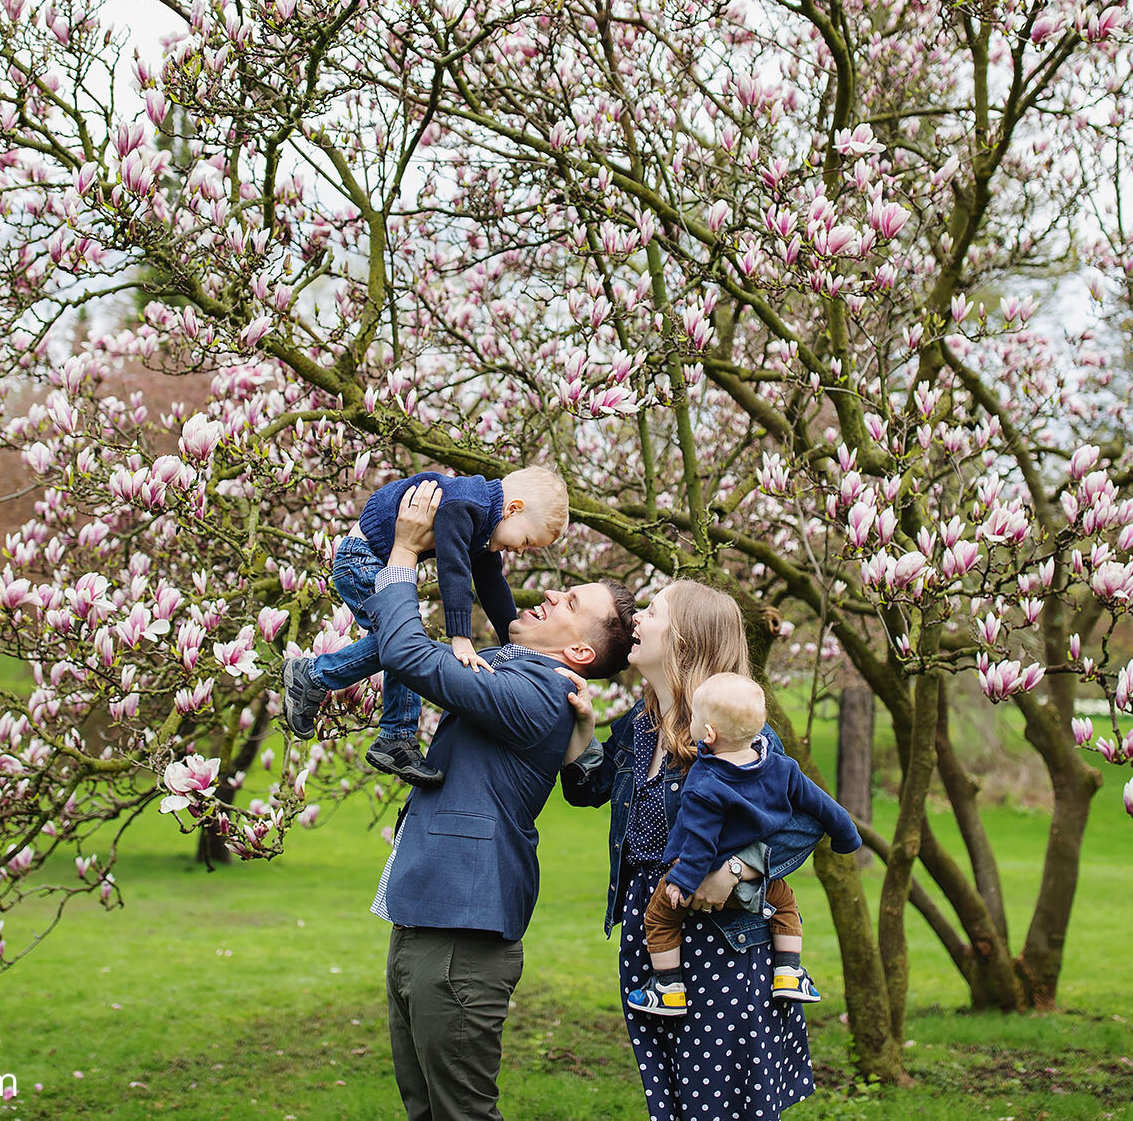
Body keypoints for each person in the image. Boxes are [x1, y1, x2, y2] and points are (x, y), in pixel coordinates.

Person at [334, 481, 633, 1121]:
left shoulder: (537, 692)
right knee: (428, 1110)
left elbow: (409, 654)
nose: (551, 592)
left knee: (461, 1113)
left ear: (578, 650)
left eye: (570, 601)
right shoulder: (522, 676)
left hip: (461, 934)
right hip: (430, 915)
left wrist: (404, 556)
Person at [561, 581, 828, 1120]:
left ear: (685, 640)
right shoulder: (641, 726)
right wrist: (584, 729)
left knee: (719, 1101)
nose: (636, 618)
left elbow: (806, 821)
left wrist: (735, 868)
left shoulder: (736, 737)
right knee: (674, 1098)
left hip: (721, 943)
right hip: (652, 932)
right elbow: (586, 789)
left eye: (652, 610)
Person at [281, 465, 568, 786]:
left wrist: (514, 645)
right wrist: (460, 636)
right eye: (527, 540)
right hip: (361, 559)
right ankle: (319, 678)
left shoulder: (485, 523)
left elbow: (492, 585)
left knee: (401, 642)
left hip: (375, 561)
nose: (520, 550)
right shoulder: (466, 505)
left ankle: (393, 733)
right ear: (513, 510)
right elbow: (453, 570)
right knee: (401, 642)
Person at [626, 671, 861, 1017]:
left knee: (660, 918)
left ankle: (668, 988)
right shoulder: (782, 768)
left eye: (693, 718)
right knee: (786, 906)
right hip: (758, 881)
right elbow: (823, 805)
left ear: (708, 733)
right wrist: (847, 835)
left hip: (705, 878)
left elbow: (700, 841)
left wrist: (685, 880)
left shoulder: (704, 782)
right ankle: (788, 971)